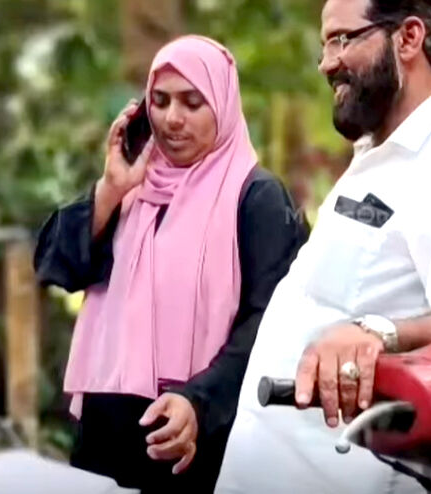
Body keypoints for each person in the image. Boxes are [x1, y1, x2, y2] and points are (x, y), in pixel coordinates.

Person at [215, 1, 431, 493]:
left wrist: (377, 332)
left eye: (342, 39)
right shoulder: (372, 153)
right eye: (324, 45)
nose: (326, 63)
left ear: (409, 38)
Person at [34, 35, 308, 493]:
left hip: (195, 435)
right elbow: (56, 265)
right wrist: (110, 189)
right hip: (107, 432)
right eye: (159, 101)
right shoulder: (132, 187)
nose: (172, 118)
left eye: (192, 102)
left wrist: (199, 402)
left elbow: (270, 321)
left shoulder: (256, 197)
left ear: (222, 105)